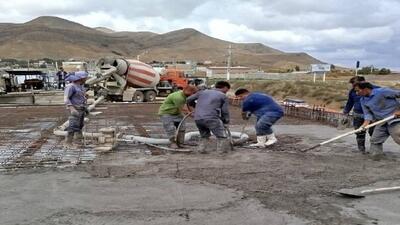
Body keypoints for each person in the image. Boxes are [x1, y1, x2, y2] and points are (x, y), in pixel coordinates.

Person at [354, 82, 400, 159]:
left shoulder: (382, 92)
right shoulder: (363, 100)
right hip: (381, 121)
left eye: (358, 90)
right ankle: (376, 156)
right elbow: (368, 114)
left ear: (365, 89)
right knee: (375, 140)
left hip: (395, 119)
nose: (356, 93)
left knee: (398, 137)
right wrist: (364, 126)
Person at [186, 81, 231, 153]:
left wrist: (196, 107)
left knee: (204, 135)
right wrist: (226, 121)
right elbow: (224, 111)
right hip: (211, 117)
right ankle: (221, 151)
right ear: (225, 87)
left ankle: (201, 149)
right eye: (227, 90)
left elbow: (188, 99)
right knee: (221, 136)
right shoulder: (223, 95)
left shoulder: (202, 92)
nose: (226, 92)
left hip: (198, 118)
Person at [343, 76, 378, 153]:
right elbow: (350, 102)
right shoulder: (352, 91)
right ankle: (361, 151)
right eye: (353, 85)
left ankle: (374, 151)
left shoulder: (376, 89)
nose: (354, 87)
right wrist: (345, 112)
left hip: (372, 115)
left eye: (355, 84)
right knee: (359, 133)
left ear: (363, 82)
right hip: (358, 114)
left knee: (374, 133)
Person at [63, 71, 88, 148]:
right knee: (72, 126)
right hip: (75, 109)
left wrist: (85, 96)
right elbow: (66, 99)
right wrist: (71, 108)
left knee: (79, 126)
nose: (86, 78)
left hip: (81, 108)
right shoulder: (71, 86)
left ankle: (79, 141)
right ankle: (68, 143)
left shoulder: (80, 86)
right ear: (81, 78)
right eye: (85, 77)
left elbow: (79, 96)